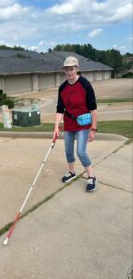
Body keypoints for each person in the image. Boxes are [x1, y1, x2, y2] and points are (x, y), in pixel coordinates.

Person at [53, 56, 98, 191]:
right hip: (69, 124)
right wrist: (56, 126)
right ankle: (72, 172)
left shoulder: (85, 84)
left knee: (81, 152)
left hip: (83, 124)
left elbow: (93, 109)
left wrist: (93, 129)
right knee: (68, 150)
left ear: (77, 68)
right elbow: (60, 110)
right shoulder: (62, 88)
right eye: (67, 70)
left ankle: (91, 176)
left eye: (72, 69)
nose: (69, 73)